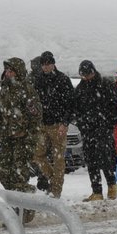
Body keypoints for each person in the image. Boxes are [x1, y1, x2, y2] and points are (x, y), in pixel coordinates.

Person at [0, 56, 42, 221]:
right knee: (4, 174)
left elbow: (36, 117)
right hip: (7, 139)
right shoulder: (5, 90)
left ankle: (23, 212)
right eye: (7, 70)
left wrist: (30, 139)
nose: (8, 73)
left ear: (18, 72)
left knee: (19, 176)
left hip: (23, 140)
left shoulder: (27, 91)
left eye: (11, 70)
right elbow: (0, 115)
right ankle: (19, 202)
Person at [72, 60, 117, 200]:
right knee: (91, 160)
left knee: (104, 158)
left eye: (88, 74)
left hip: (103, 129)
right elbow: (76, 109)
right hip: (88, 130)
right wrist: (81, 123)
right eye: (84, 75)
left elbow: (116, 107)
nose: (87, 78)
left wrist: (108, 125)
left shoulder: (106, 85)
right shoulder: (80, 89)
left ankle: (112, 184)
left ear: (93, 71)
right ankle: (97, 191)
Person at [32, 51, 75, 197]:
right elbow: (34, 101)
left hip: (58, 125)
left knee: (58, 159)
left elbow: (70, 104)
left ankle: (56, 190)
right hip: (42, 125)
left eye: (48, 64)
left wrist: (65, 122)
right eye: (43, 64)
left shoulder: (63, 79)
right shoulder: (38, 80)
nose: (45, 67)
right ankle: (52, 179)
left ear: (53, 64)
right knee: (37, 155)